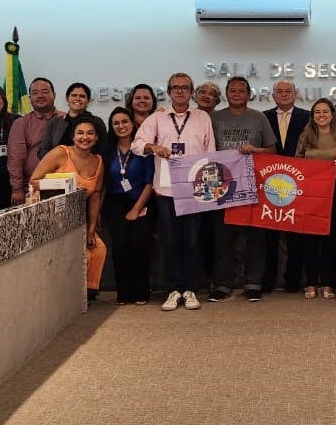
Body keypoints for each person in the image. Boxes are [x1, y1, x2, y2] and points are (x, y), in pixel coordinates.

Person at [133, 73, 215, 312]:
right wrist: (153, 147)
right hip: (166, 189)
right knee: (170, 240)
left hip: (194, 189)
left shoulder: (202, 118)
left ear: (191, 92)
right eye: (175, 87)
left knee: (192, 240)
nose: (180, 91)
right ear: (169, 91)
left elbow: (210, 151)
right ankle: (173, 289)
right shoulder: (157, 118)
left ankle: (190, 289)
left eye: (185, 87)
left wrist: (208, 187)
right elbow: (137, 144)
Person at [208, 77, 277, 303]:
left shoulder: (259, 118)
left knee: (254, 237)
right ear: (226, 93)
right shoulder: (214, 118)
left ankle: (253, 284)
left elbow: (272, 151)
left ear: (249, 94)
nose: (237, 94)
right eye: (232, 90)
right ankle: (222, 284)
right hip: (221, 186)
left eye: (241, 91)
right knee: (223, 237)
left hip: (252, 185)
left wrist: (256, 150)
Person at [30, 122, 106, 301]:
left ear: (96, 138)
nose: (85, 137)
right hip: (49, 215)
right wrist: (63, 186)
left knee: (98, 249)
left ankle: (86, 293)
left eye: (90, 133)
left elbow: (95, 195)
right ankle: (65, 296)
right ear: (73, 136)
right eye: (80, 133)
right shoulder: (60, 153)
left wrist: (91, 230)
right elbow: (34, 181)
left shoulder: (99, 161)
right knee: (75, 253)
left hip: (76, 219)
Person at [295, 98, 336, 299]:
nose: (321, 115)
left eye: (325, 112)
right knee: (310, 239)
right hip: (310, 192)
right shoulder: (305, 135)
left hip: (335, 191)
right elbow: (297, 161)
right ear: (312, 116)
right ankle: (311, 283)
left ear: (332, 115)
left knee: (332, 238)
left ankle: (329, 283)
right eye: (317, 112)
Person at [261, 80, 311, 293]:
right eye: (279, 91)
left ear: (295, 94)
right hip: (269, 181)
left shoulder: (307, 117)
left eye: (287, 91)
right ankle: (268, 280)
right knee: (269, 235)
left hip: (297, 181)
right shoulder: (263, 117)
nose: (283, 94)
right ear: (273, 96)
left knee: (296, 233)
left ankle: (293, 281)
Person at [103, 108, 154, 306]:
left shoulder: (143, 149)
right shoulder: (108, 151)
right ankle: (123, 293)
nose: (121, 126)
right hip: (115, 203)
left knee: (139, 245)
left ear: (133, 124)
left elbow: (150, 182)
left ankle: (141, 292)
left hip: (141, 200)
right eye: (116, 123)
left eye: (125, 121)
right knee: (120, 245)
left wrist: (136, 208)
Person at [8, 77, 64, 205]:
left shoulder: (66, 119)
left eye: (45, 91)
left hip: (65, 185)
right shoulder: (21, 124)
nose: (40, 96)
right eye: (35, 93)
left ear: (54, 95)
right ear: (30, 98)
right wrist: (17, 189)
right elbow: (15, 158)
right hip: (32, 188)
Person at [42, 82, 107, 156]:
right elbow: (43, 149)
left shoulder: (97, 122)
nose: (78, 99)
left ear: (88, 101)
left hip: (88, 162)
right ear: (67, 99)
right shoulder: (55, 123)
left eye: (82, 96)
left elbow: (104, 148)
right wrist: (54, 160)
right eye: (74, 95)